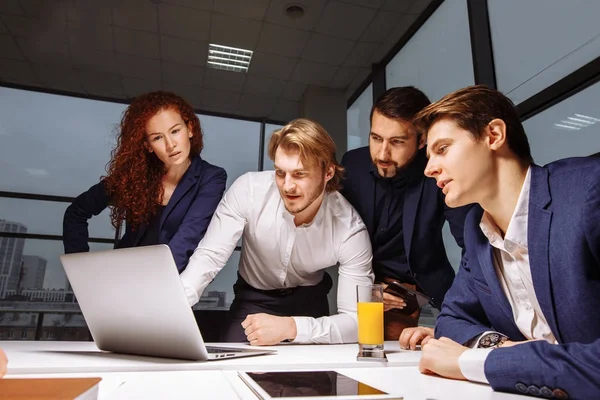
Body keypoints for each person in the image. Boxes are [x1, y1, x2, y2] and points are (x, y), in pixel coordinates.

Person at [407, 84, 600, 399]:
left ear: (494, 135)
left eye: (442, 148)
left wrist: (480, 362)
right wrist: (501, 346)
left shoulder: (588, 193)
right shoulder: (477, 228)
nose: (429, 169)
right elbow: (452, 320)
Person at [180, 118, 374, 345]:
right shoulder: (248, 191)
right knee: (232, 367)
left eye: (300, 174)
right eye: (280, 173)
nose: (287, 186)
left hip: (309, 304)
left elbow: (357, 322)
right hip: (253, 300)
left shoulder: (350, 229)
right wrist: (173, 307)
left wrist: (292, 327)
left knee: (315, 378)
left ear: (328, 172)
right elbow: (209, 257)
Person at [341, 87, 471, 340]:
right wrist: (364, 287)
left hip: (426, 286)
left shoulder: (438, 171)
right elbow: (335, 238)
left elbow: (472, 243)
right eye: (376, 138)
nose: (382, 154)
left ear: (422, 140)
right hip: (367, 282)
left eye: (397, 142)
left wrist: (464, 306)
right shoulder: (352, 165)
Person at [63, 91, 227, 272]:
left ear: (190, 129)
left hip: (167, 284)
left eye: (175, 131)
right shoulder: (135, 176)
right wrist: (79, 268)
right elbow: (76, 212)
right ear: (147, 145)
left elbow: (188, 237)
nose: (170, 144)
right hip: (120, 277)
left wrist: (156, 284)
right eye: (158, 137)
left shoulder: (211, 177)